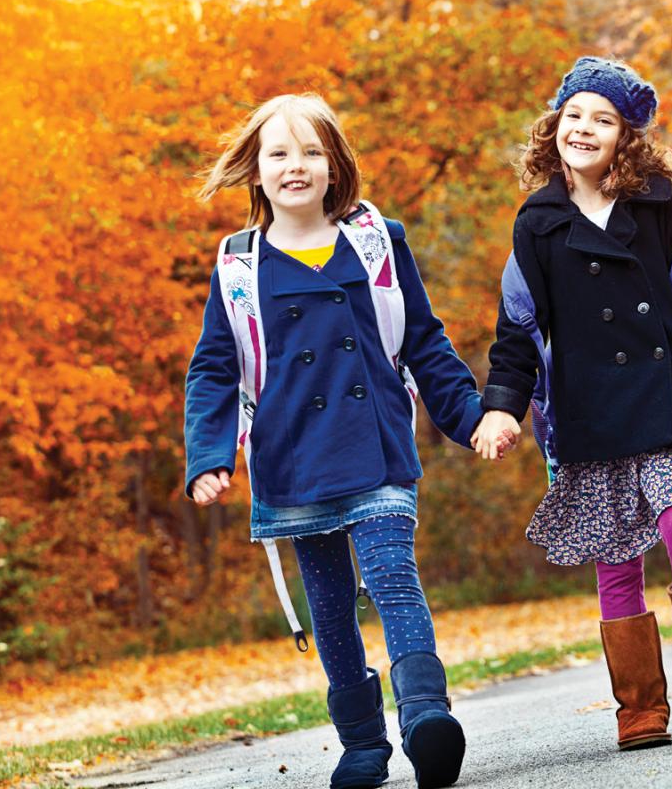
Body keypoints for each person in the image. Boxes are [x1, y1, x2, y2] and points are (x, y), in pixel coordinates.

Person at [471, 57, 672, 750]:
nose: (584, 128)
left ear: (625, 136)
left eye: (602, 119)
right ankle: (639, 705)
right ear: (555, 128)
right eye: (573, 115)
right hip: (591, 411)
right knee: (616, 556)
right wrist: (501, 408)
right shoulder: (539, 224)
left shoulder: (659, 203)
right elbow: (519, 331)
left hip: (665, 400)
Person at [185, 93, 483, 789]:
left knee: (390, 578)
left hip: (375, 443)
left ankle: (425, 715)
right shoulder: (238, 266)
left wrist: (468, 417)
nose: (297, 166)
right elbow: (214, 368)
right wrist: (209, 457)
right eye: (279, 154)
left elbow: (422, 340)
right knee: (329, 605)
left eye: (312, 151)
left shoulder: (378, 240)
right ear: (255, 171)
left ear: (334, 164)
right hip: (292, 461)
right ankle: (362, 744)